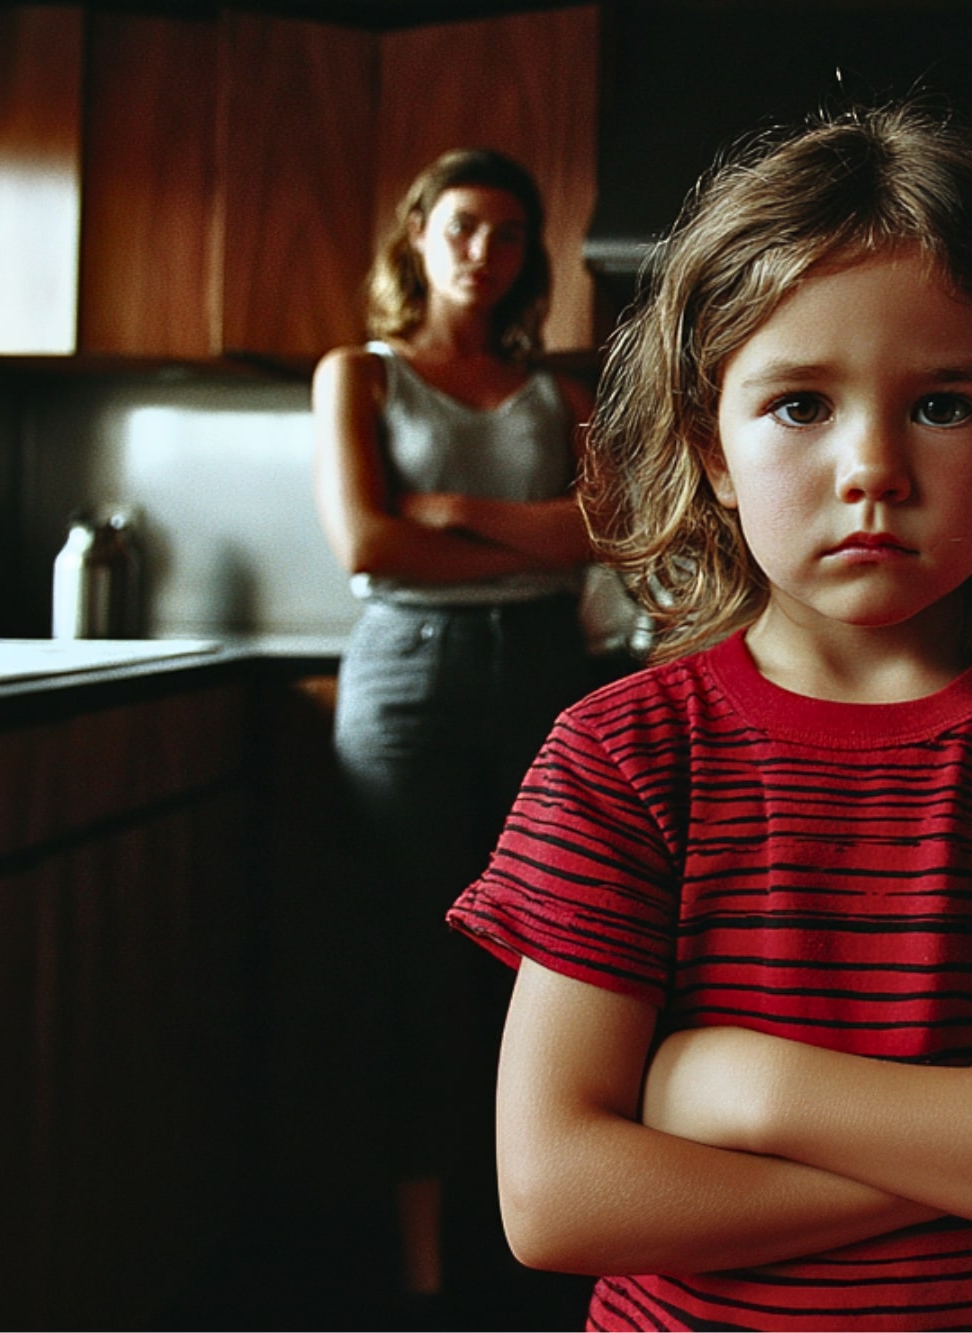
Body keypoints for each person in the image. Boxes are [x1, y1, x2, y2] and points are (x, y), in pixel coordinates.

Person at [444, 102, 972, 1331]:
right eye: (799, 405)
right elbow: (556, 1199)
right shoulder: (619, 756)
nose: (872, 466)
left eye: (942, 405)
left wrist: (750, 1087)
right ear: (709, 449)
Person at [311, 147, 594, 1315]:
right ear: (419, 236)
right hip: (407, 681)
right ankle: (428, 1279)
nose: (484, 250)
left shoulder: (557, 394)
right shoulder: (360, 375)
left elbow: (595, 534)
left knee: (551, 960)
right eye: (463, 226)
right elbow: (369, 544)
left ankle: (545, 1239)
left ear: (530, 256)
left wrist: (456, 511)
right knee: (414, 967)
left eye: (509, 232)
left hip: (544, 675)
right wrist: (521, 545)